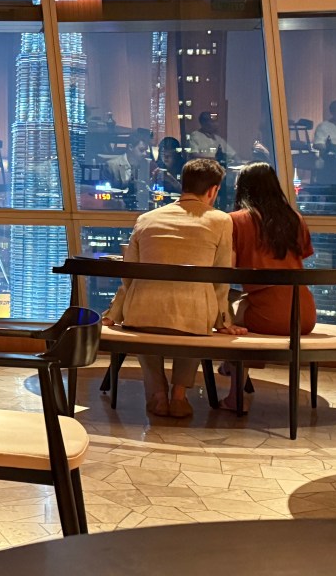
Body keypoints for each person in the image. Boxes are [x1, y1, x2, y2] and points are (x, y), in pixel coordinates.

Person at [103, 158, 245, 419]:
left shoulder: (146, 219)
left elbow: (128, 275)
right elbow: (220, 277)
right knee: (193, 319)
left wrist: (115, 313)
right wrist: (223, 319)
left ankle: (158, 395)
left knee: (145, 318)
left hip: (141, 315)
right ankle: (179, 396)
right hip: (192, 319)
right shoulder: (221, 221)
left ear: (183, 184)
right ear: (213, 190)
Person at [223, 162, 316, 411]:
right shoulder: (294, 219)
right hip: (304, 313)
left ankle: (234, 393)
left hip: (267, 313)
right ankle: (231, 366)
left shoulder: (236, 221)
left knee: (225, 314)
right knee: (238, 304)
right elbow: (301, 256)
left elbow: (226, 270)